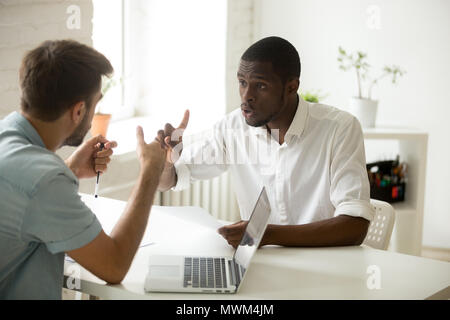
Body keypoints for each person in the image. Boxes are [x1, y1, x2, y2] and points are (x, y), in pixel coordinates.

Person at [156, 36, 374, 249]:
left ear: (291, 87)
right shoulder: (232, 128)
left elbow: (355, 226)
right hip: (260, 265)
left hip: (326, 268)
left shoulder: (339, 129)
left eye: (260, 86)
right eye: (242, 83)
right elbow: (170, 180)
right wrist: (166, 162)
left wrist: (264, 234)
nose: (246, 96)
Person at [0, 40, 166, 299]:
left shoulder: (6, 135)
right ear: (78, 110)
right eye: (95, 104)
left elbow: (22, 194)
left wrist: (71, 168)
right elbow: (114, 266)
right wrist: (150, 172)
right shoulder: (44, 182)